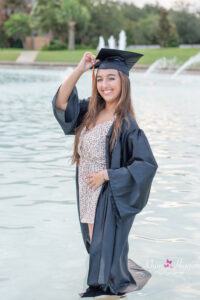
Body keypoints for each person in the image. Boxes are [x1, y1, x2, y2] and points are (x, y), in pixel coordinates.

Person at [52, 48, 158, 298]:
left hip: (109, 196)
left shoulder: (127, 124)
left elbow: (146, 165)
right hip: (88, 193)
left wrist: (108, 175)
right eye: (99, 78)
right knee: (98, 252)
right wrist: (80, 69)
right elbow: (61, 103)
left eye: (111, 77)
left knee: (108, 264)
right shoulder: (90, 110)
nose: (104, 84)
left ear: (123, 81)